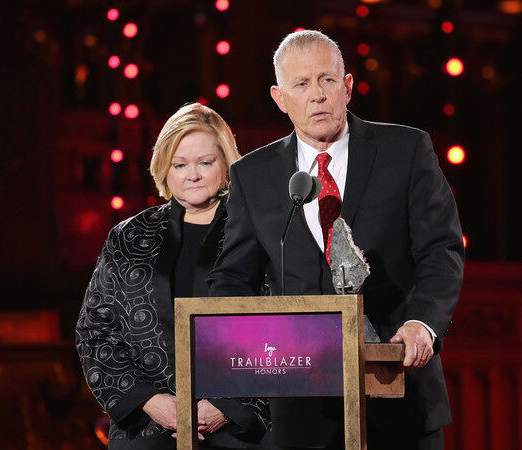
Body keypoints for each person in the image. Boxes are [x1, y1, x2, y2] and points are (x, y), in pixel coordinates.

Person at [207, 31, 465, 449]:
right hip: (300, 410)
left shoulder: (407, 150)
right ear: (279, 97)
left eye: (327, 80)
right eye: (301, 84)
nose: (317, 96)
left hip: (399, 394)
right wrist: (236, 359)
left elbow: (441, 251)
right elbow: (232, 280)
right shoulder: (252, 177)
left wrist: (422, 323)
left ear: (347, 87)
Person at [76, 103, 268, 450]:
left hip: (237, 431)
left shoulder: (259, 233)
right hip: (146, 429)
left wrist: (227, 407)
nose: (191, 175)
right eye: (180, 165)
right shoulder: (128, 237)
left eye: (205, 163)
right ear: (165, 169)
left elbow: (285, 332)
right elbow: (95, 331)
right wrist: (150, 402)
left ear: (227, 165)